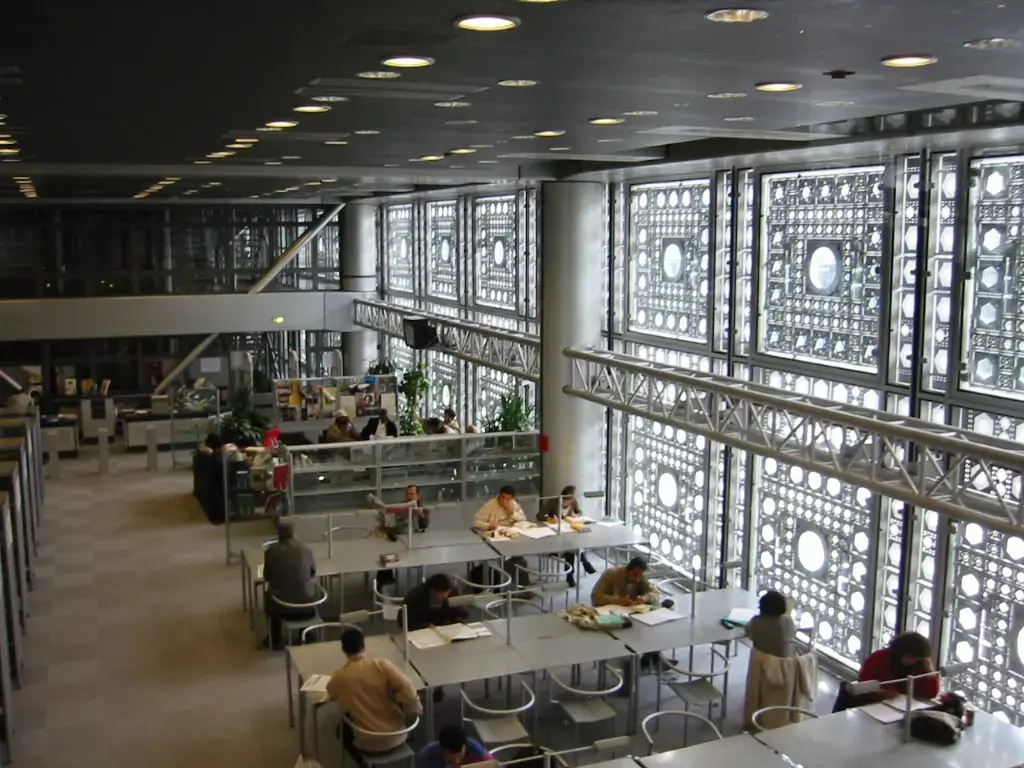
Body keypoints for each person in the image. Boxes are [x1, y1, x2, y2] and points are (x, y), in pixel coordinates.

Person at [327, 626, 422, 762]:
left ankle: (361, 763)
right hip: (398, 735)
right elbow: (408, 689)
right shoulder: (382, 665)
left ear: (343, 650)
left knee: (340, 729)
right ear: (363, 646)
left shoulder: (339, 676)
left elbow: (332, 694)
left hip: (367, 743)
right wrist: (410, 715)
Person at [261, 523, 317, 650]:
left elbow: (267, 576)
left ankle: (274, 638)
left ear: (279, 537)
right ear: (294, 535)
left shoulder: (271, 552)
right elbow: (313, 572)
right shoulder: (307, 550)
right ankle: (306, 635)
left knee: (269, 594)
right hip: (307, 607)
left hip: (282, 607)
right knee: (305, 590)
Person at [538, 485, 596, 588]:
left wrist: (576, 516)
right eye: (565, 502)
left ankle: (570, 575)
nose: (567, 504)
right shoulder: (553, 502)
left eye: (569, 502)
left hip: (567, 531)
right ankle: (584, 563)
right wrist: (549, 519)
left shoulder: (573, 502)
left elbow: (579, 511)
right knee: (572, 547)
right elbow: (539, 515)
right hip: (555, 534)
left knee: (572, 546)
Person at [472, 487, 529, 588]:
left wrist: (512, 512)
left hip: (510, 538)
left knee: (520, 560)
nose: (504, 501)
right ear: (499, 495)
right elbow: (476, 522)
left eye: (508, 499)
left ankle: (522, 586)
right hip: (495, 539)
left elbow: (523, 519)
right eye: (503, 497)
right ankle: (511, 586)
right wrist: (488, 526)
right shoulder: (490, 505)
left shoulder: (513, 504)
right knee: (509, 561)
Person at [403, 573, 469, 632]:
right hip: (424, 630)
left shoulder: (452, 592)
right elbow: (406, 622)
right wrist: (426, 625)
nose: (445, 596)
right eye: (441, 593)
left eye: (447, 592)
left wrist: (458, 608)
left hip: (446, 628)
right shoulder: (417, 595)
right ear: (432, 589)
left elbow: (464, 615)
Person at [745, 590, 797, 658]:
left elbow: (748, 634)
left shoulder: (756, 622)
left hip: (763, 665)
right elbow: (793, 634)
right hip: (785, 665)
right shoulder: (789, 622)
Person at [591, 556, 658, 607]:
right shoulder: (611, 574)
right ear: (628, 569)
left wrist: (645, 598)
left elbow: (655, 593)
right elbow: (595, 597)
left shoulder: (640, 577)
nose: (637, 579)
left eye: (639, 576)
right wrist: (617, 600)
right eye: (635, 575)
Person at [416, 725, 491, 768]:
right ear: (442, 749)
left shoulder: (477, 751)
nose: (456, 761)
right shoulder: (427, 757)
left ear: (465, 745)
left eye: (460, 755)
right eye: (451, 757)